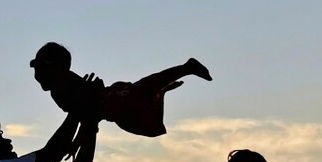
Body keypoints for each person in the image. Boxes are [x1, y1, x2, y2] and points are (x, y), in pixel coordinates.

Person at [31, 41, 211, 139]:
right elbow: (83, 116)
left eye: (38, 68)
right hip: (114, 107)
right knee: (153, 125)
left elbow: (83, 113)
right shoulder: (62, 86)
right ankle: (165, 88)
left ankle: (186, 69)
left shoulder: (61, 88)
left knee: (148, 88)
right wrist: (77, 142)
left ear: (52, 69)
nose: (36, 74)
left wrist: (78, 141)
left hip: (114, 101)